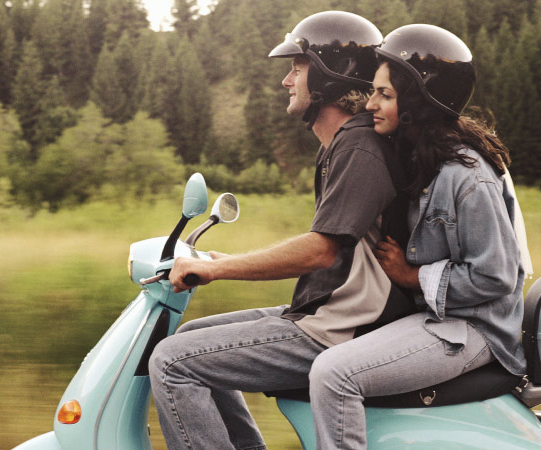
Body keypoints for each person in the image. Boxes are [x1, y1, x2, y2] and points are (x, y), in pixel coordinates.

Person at [148, 11, 415, 450]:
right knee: (189, 339)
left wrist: (223, 269)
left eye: (296, 69)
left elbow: (321, 252)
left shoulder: (360, 147)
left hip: (347, 328)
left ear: (329, 78)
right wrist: (221, 261)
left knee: (174, 362)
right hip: (326, 314)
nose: (286, 82)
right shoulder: (341, 144)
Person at [308, 24, 531, 449]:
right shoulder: (423, 158)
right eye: (373, 91)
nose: (370, 103)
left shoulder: (466, 177)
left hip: (474, 330)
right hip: (436, 319)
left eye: (385, 95)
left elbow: (497, 276)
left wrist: (415, 277)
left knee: (333, 373)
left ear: (417, 104)